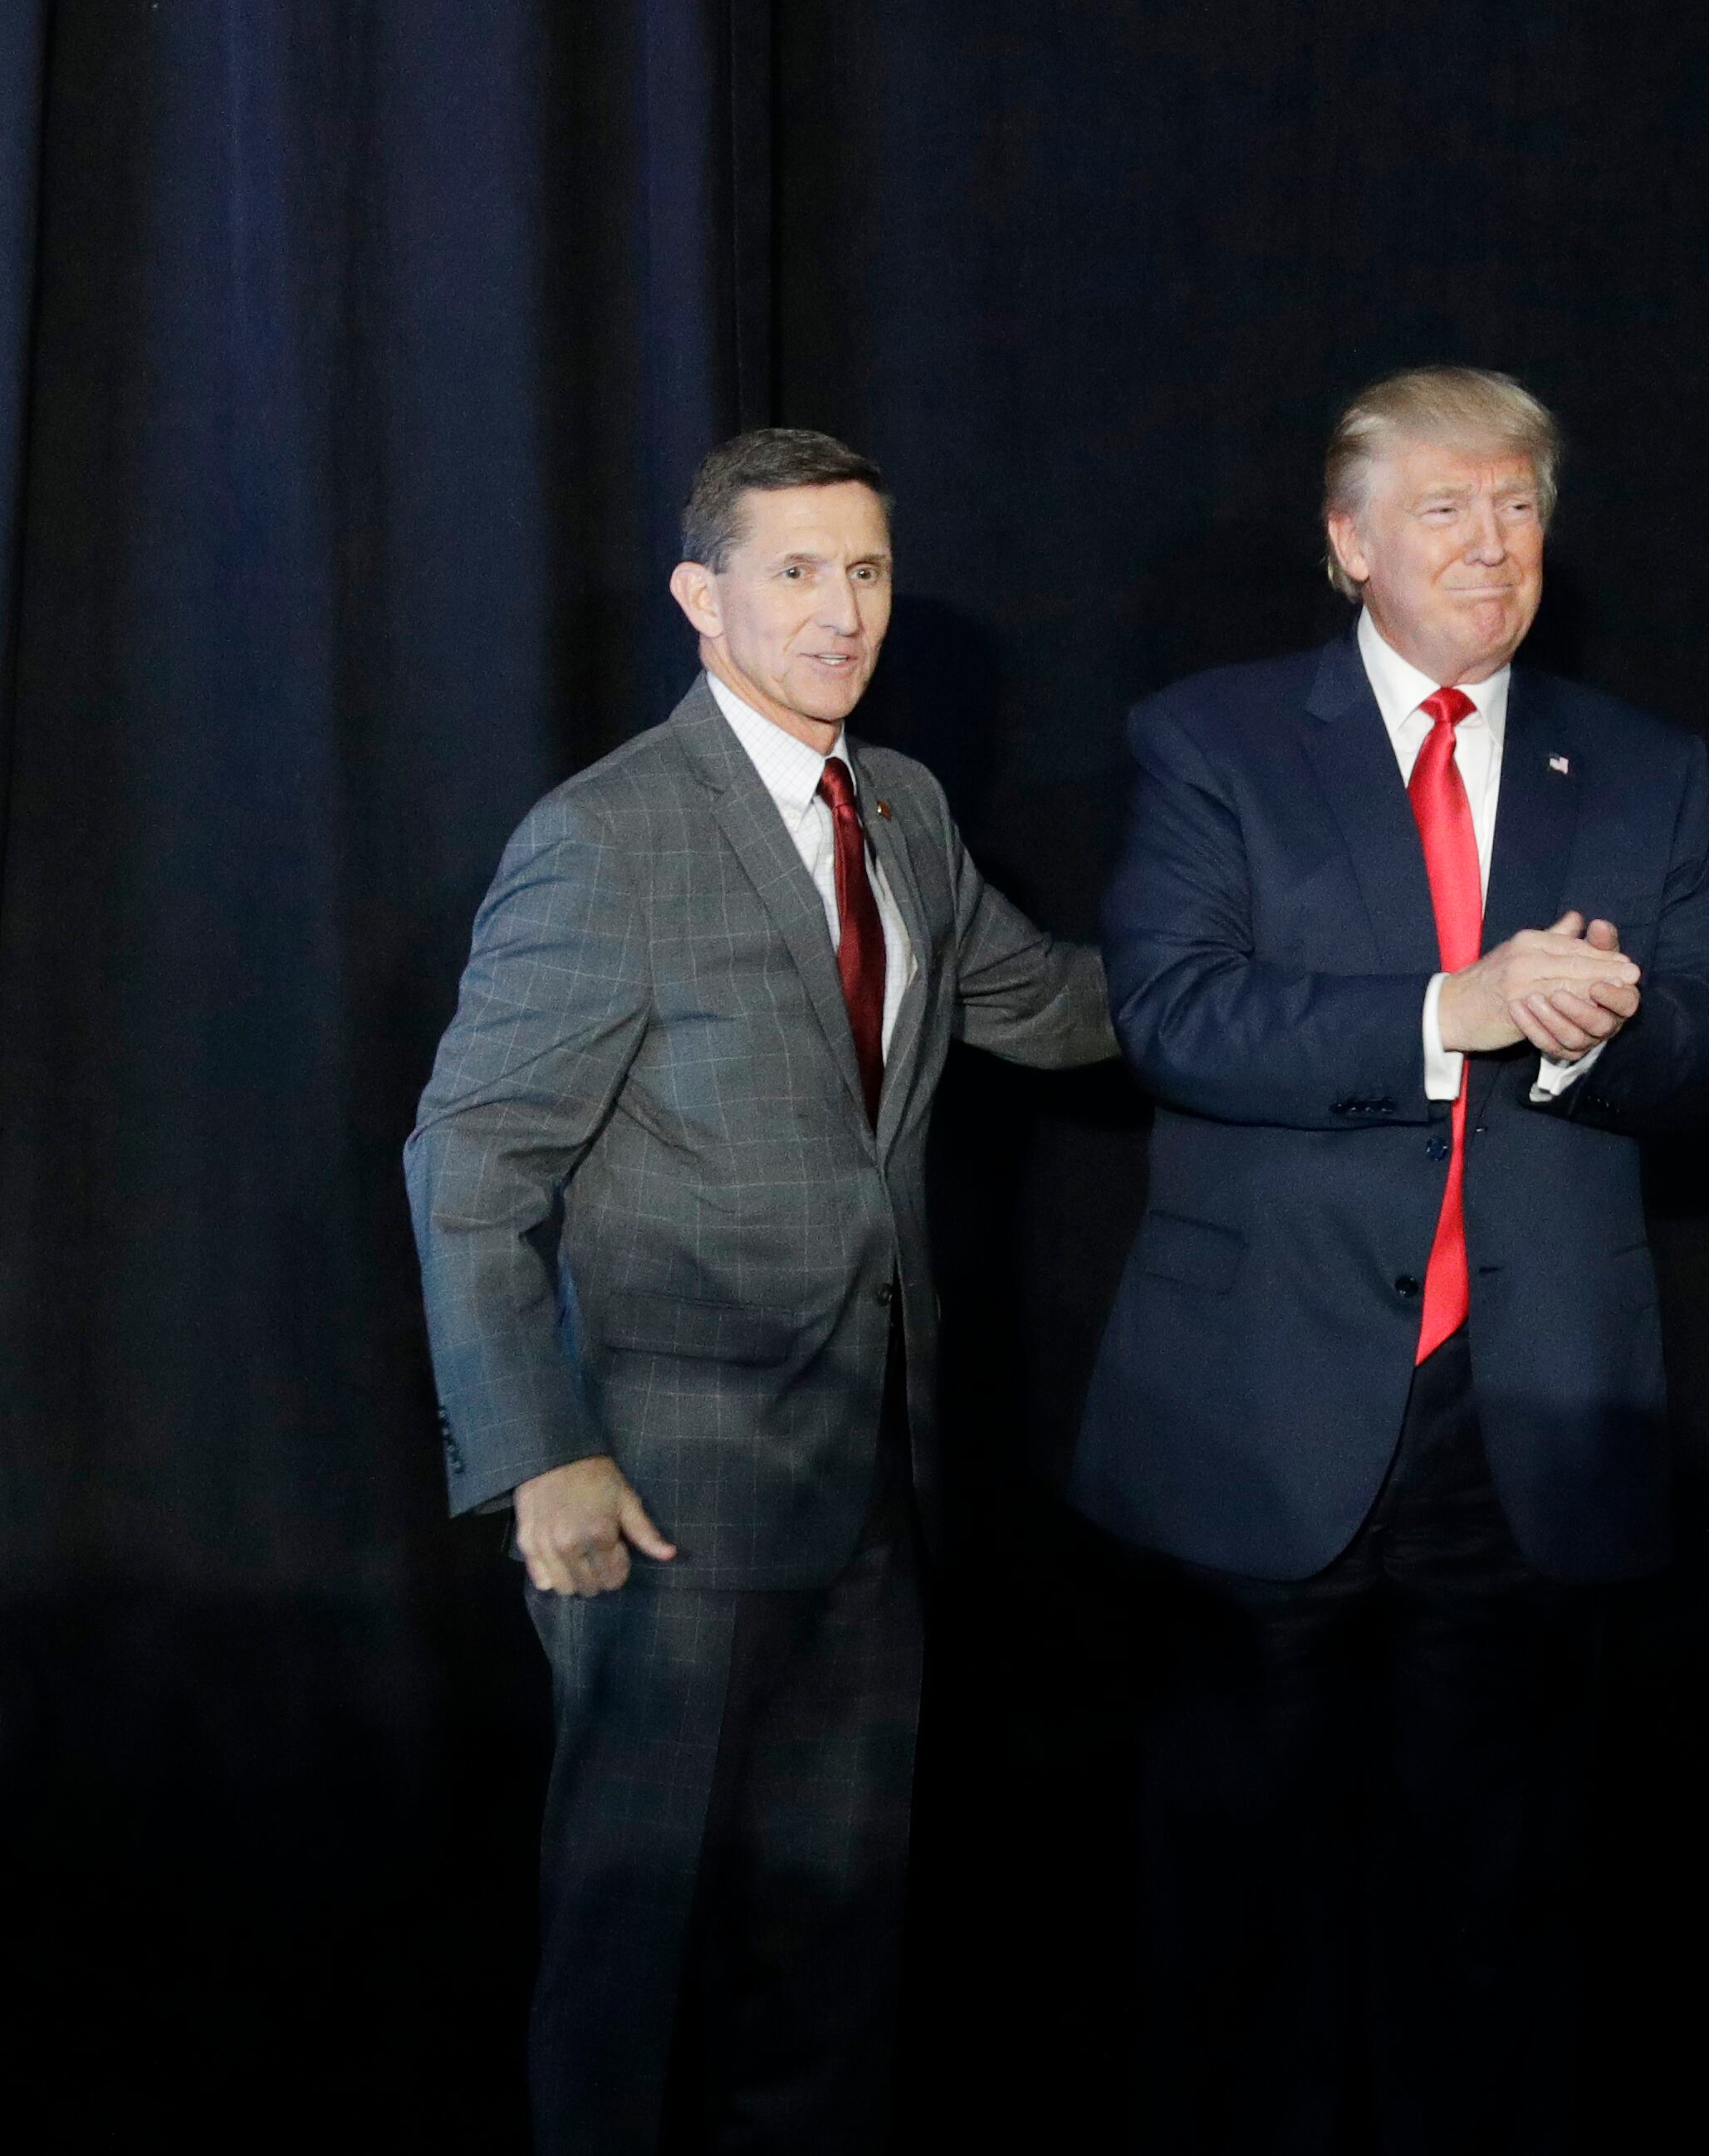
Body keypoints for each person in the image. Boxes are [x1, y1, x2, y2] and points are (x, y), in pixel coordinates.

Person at [1073, 367, 1709, 2153]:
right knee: (1232, 1907)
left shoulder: (1636, 764)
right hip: (1261, 1416)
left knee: (1495, 1909)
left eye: (1519, 507)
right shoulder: (1209, 741)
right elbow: (1174, 1016)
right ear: (1347, 543)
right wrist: (1450, 1008)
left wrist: (1574, 1032)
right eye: (1446, 509)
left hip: (1520, 1422)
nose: (1490, 544)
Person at [404, 428, 1113, 2155]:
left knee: (834, 1924)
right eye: (795, 571)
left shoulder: (910, 810)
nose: (839, 609)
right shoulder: (610, 838)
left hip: (875, 1472)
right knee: (634, 1933)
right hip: (658, 1492)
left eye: (864, 570)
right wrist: (539, 1455)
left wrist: (1389, 991)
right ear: (699, 597)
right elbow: (469, 1161)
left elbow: (1058, 1007)